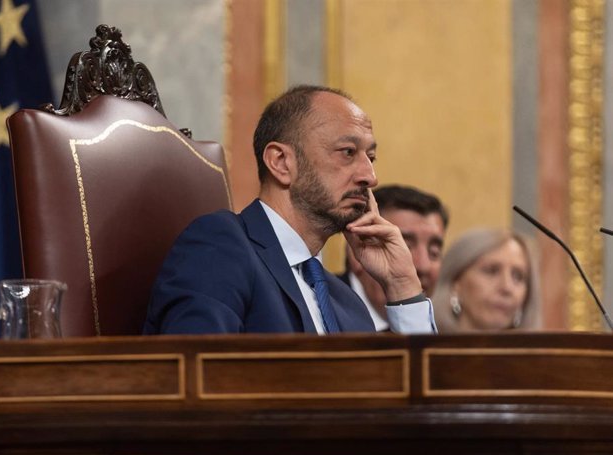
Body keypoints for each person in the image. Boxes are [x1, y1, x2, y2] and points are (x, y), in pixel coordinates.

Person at [143, 85, 436, 335]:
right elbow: (195, 378)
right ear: (281, 162)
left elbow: (408, 396)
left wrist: (402, 285)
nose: (370, 177)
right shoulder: (220, 246)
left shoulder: (345, 302)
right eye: (348, 152)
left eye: (370, 157)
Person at [339, 185, 448, 331]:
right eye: (405, 247)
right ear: (356, 251)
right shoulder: (320, 311)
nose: (424, 266)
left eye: (434, 252)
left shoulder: (443, 328)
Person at [432, 228, 541, 333]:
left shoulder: (539, 351)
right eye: (491, 271)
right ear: (456, 282)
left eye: (518, 277)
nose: (507, 287)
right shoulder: (424, 349)